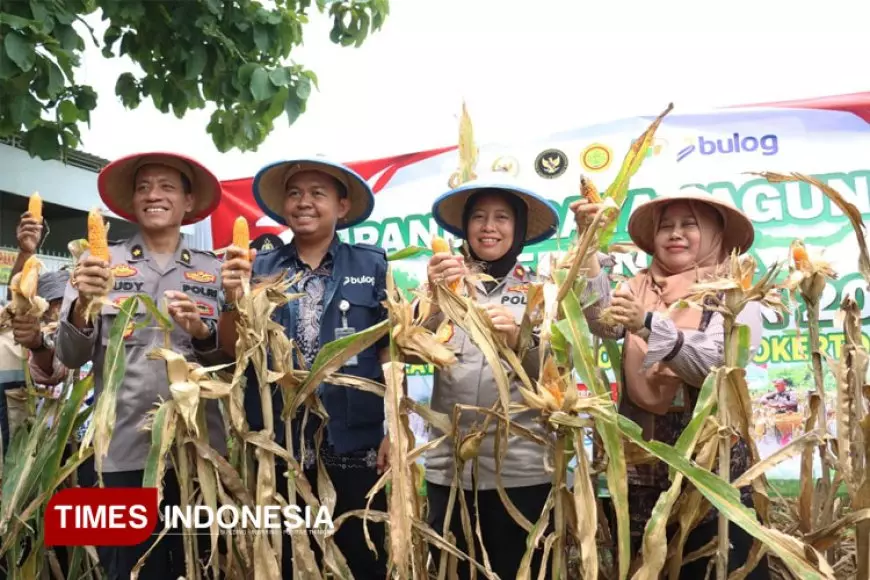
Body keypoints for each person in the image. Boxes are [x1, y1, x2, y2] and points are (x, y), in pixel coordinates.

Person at [571, 189, 770, 578]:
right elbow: (601, 322)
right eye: (666, 227)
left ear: (715, 234)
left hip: (711, 466)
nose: (675, 234)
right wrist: (588, 245)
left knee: (713, 565)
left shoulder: (735, 293)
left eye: (689, 225)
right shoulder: (639, 286)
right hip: (643, 467)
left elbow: (716, 363)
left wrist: (648, 325)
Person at [54, 151, 227, 580]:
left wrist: (202, 333)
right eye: (143, 187)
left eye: (167, 187)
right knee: (129, 569)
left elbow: (231, 363)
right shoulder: (98, 266)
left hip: (200, 451)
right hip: (122, 451)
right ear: (132, 201)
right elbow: (70, 356)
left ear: (188, 201)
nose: (154, 195)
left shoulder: (216, 271)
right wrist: (83, 305)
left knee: (200, 566)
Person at [219, 158, 391, 579]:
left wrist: (396, 430)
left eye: (317, 193)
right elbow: (231, 351)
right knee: (287, 561)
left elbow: (389, 352)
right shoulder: (257, 268)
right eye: (294, 194)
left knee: (361, 559)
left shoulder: (372, 265)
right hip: (280, 445)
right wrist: (232, 299)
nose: (303, 202)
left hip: (355, 443)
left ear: (342, 206)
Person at [422, 177, 559, 580]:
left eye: (502, 218)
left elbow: (558, 376)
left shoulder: (541, 291)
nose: (488, 227)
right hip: (450, 472)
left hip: (523, 473)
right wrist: (434, 295)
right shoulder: (444, 285)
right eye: (478, 217)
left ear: (519, 228)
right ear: (465, 227)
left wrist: (519, 341)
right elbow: (409, 346)